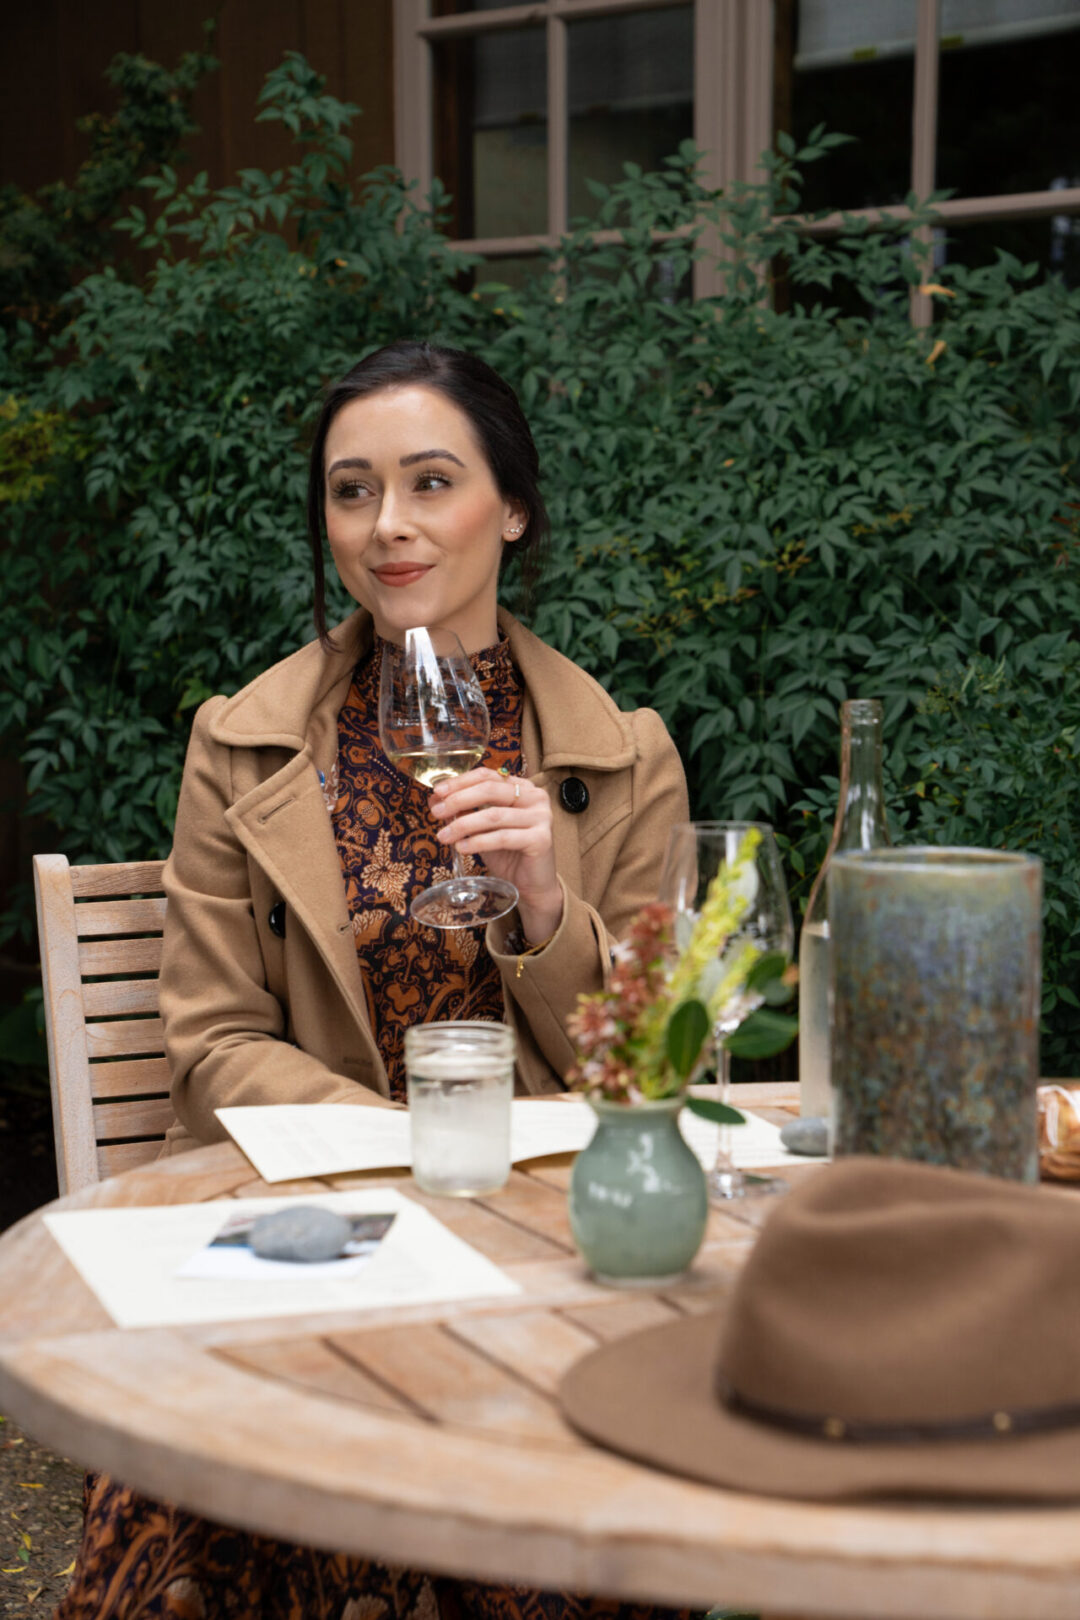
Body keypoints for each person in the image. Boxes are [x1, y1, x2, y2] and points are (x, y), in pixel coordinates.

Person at [55, 342, 689, 1620]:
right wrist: (410, 1147)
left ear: (512, 507)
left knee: (573, 1473)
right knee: (207, 1490)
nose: (386, 526)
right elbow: (216, 1039)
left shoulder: (622, 761)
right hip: (319, 1239)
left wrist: (548, 906)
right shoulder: (242, 745)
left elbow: (657, 1067)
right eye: (352, 491)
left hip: (543, 1254)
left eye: (429, 482)